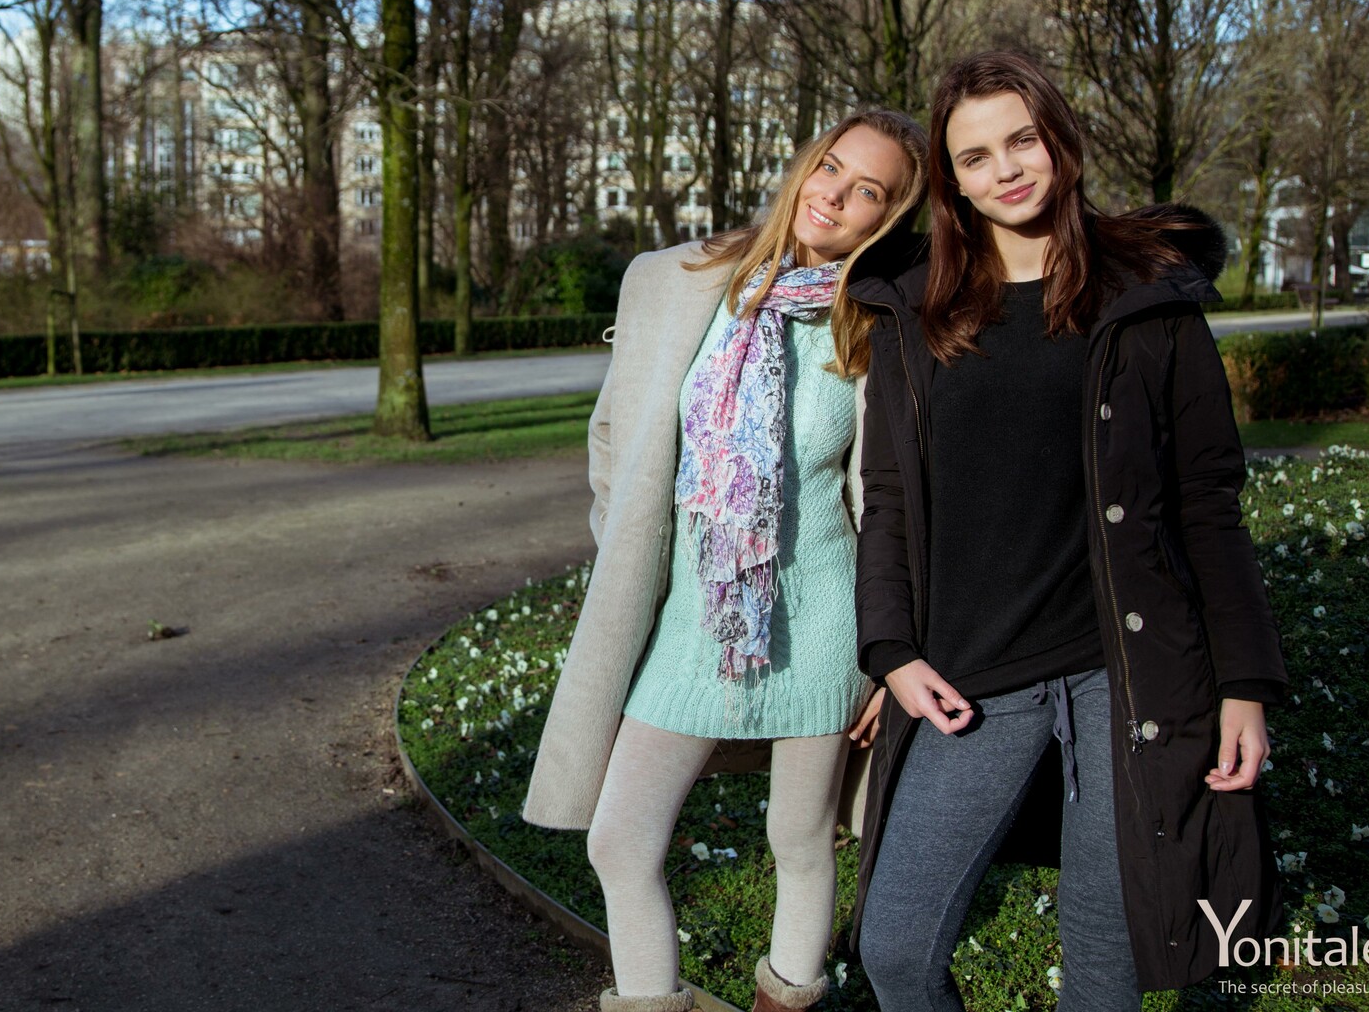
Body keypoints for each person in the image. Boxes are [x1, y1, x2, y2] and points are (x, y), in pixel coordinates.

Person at [847, 50, 1287, 1011]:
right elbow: (887, 498)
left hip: (1125, 674)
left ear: (1061, 140)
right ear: (952, 181)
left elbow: (1207, 504)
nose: (1005, 169)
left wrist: (1245, 687)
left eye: (1022, 140)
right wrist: (891, 651)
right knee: (895, 948)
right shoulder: (913, 305)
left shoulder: (1148, 298)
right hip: (970, 676)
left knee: (1104, 962)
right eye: (975, 156)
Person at [524, 108, 930, 1012]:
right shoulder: (684, 281)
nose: (836, 195)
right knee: (620, 840)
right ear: (806, 165)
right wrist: (626, 546)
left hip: (824, 621)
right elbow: (614, 436)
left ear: (888, 217)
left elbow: (891, 502)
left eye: (868, 190)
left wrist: (887, 647)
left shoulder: (876, 323)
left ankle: (788, 998)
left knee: (801, 837)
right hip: (693, 617)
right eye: (832, 167)